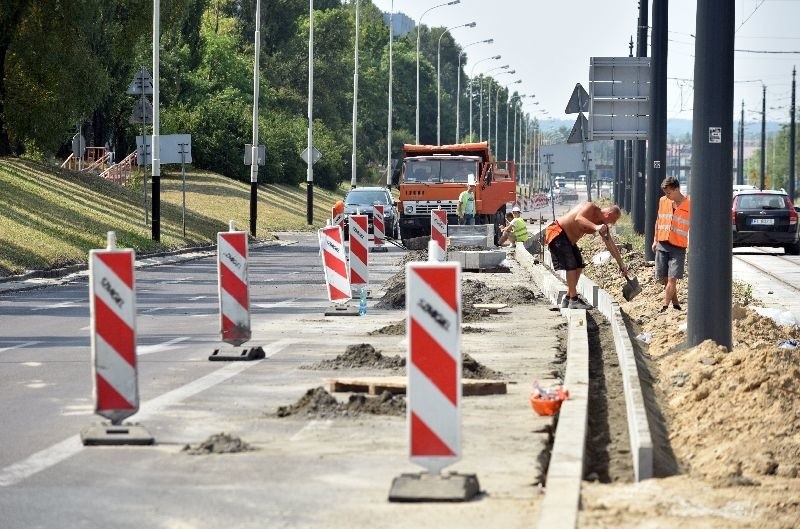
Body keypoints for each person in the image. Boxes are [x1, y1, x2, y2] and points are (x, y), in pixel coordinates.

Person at [545, 201, 627, 309]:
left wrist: (621, 264)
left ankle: (568, 298)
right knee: (571, 265)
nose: (613, 223)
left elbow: (610, 244)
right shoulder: (591, 207)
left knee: (579, 265)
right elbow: (578, 218)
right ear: (609, 214)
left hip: (569, 241)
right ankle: (574, 300)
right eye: (614, 220)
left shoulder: (602, 224)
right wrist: (596, 227)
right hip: (557, 232)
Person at [652, 176, 690, 312]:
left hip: (678, 246)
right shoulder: (663, 201)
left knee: (673, 278)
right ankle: (676, 304)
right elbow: (658, 221)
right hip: (662, 243)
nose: (667, 196)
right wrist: (655, 240)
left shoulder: (689, 205)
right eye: (665, 193)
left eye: (669, 193)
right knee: (666, 278)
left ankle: (664, 306)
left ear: (677, 189)